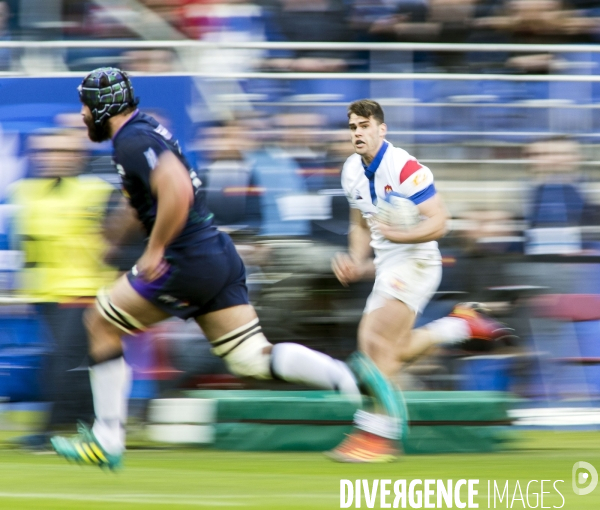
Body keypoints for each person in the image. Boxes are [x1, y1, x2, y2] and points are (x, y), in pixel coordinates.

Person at [50, 67, 363, 470]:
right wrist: (115, 235)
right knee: (250, 357)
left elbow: (176, 189)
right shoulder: (144, 131)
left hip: (186, 259)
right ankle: (345, 377)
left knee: (101, 322)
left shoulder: (133, 140)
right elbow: (145, 196)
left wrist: (155, 248)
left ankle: (108, 438)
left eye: (85, 106)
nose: (82, 115)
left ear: (103, 106)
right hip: (216, 253)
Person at [328, 99, 514, 462]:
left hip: (416, 261)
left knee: (373, 342)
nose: (358, 133)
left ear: (382, 129)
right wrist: (356, 258)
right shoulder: (351, 170)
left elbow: (440, 222)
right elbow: (358, 222)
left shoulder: (405, 167)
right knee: (389, 351)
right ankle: (459, 326)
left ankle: (378, 434)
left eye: (365, 126)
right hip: (388, 264)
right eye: (353, 127)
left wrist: (398, 237)